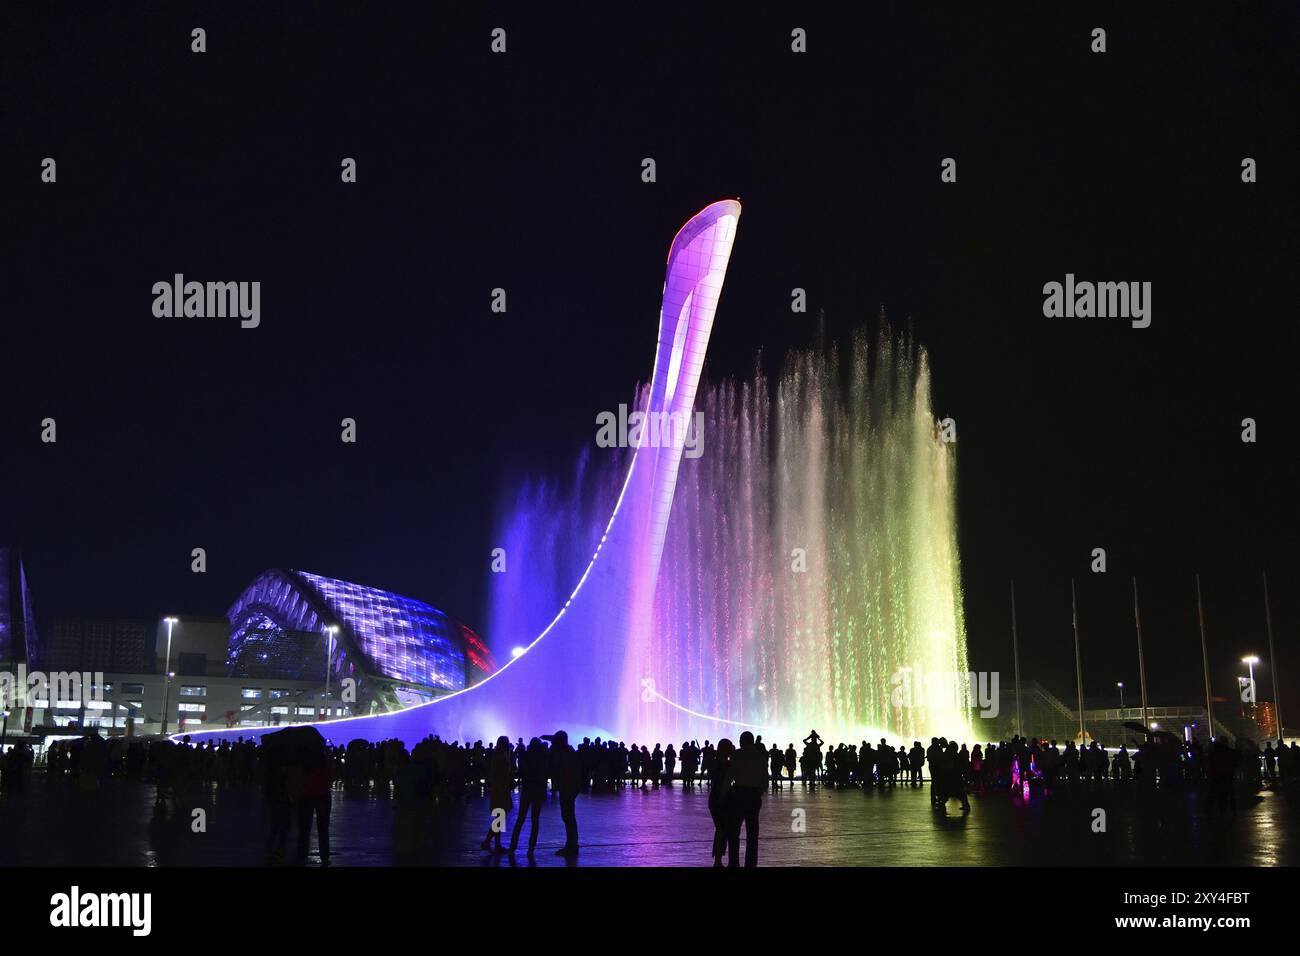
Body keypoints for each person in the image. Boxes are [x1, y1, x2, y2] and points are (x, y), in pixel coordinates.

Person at [724, 731, 767, 867]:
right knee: (752, 834)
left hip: (739, 795)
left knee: (734, 831)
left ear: (742, 741)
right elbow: (765, 780)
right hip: (753, 796)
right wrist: (757, 792)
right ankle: (751, 863)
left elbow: (730, 776)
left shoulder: (737, 754)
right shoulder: (760, 757)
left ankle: (734, 863)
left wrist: (723, 793)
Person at [509, 738, 549, 857]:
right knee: (535, 820)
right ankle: (531, 848)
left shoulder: (526, 756)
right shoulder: (543, 758)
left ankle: (513, 846)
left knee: (520, 819)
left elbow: (521, 772)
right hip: (538, 792)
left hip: (527, 791)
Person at [546, 730, 581, 856]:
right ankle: (572, 844)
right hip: (569, 788)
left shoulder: (565, 755)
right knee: (568, 817)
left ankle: (571, 846)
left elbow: (555, 767)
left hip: (567, 788)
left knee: (568, 817)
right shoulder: (569, 752)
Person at [297, 746, 334, 865]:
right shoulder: (325, 760)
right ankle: (325, 856)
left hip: (306, 796)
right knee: (323, 828)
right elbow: (331, 776)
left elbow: (299, 778)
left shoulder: (303, 762)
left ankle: (302, 855)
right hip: (323, 795)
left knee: (304, 828)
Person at [480, 735, 513, 853]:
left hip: (499, 790)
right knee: (500, 817)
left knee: (499, 817)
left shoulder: (498, 756)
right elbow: (502, 774)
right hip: (501, 790)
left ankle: (493, 843)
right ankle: (488, 841)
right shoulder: (501, 757)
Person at [707, 739, 735, 866]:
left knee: (720, 829)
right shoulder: (726, 764)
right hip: (722, 798)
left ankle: (718, 859)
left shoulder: (714, 762)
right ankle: (718, 860)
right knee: (722, 829)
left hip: (715, 797)